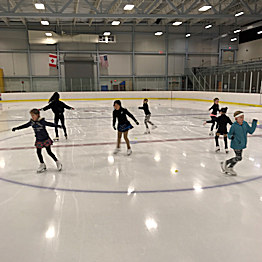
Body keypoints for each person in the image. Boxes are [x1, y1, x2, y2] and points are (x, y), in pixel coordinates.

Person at [12, 108, 63, 173]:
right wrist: (16, 128)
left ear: (37, 115)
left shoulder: (42, 121)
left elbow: (50, 124)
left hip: (45, 139)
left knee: (49, 152)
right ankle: (42, 164)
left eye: (33, 115)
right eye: (31, 115)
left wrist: (58, 126)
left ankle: (57, 162)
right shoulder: (32, 122)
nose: (32, 117)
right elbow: (25, 126)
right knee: (38, 152)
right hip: (39, 140)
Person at [221, 111, 257, 176]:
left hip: (242, 144)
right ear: (236, 118)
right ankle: (227, 163)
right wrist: (232, 137)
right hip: (236, 144)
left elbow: (251, 131)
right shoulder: (234, 126)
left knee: (238, 158)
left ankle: (229, 166)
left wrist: (254, 123)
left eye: (243, 117)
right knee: (239, 157)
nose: (242, 119)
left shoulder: (245, 124)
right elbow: (229, 134)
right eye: (240, 117)